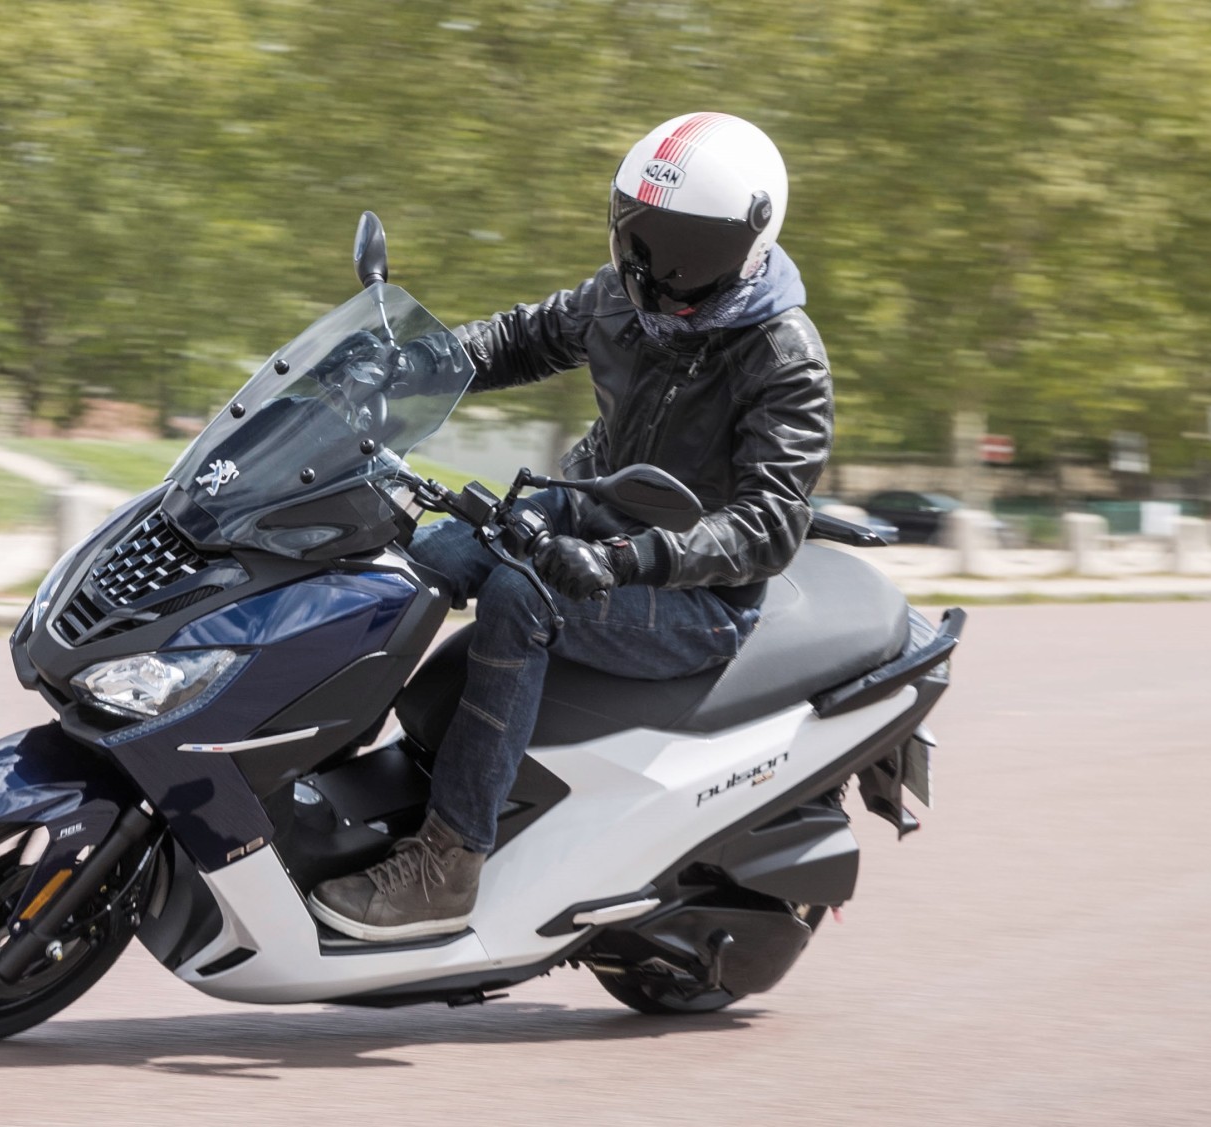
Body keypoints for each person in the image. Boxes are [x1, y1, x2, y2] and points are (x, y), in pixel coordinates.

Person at [307, 112, 834, 942]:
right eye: (639, 235)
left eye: (678, 247)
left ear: (745, 243)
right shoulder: (622, 297)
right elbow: (519, 339)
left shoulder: (783, 354)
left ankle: (448, 864)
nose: (648, 269)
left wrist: (633, 557)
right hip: (584, 510)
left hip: (694, 591)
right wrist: (409, 364)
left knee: (520, 598)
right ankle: (316, 769)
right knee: (423, 554)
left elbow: (767, 526)